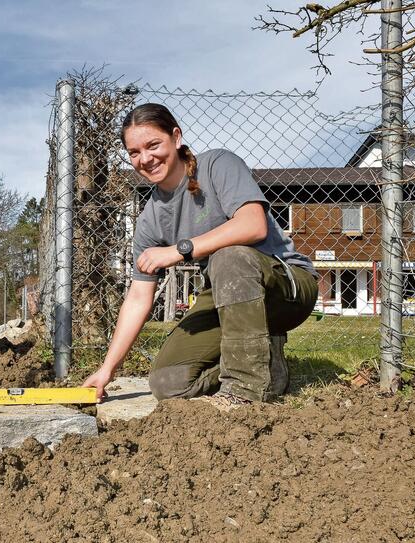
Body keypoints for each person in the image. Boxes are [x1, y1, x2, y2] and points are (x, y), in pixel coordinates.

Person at [81, 103, 318, 411]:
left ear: (176, 137)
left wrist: (180, 249)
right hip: (228, 296)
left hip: (286, 289)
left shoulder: (218, 164)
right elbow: (139, 297)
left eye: (153, 145)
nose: (146, 159)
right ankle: (266, 363)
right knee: (168, 382)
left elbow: (253, 225)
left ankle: (245, 390)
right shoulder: (150, 218)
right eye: (134, 152)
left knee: (228, 257)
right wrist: (107, 370)